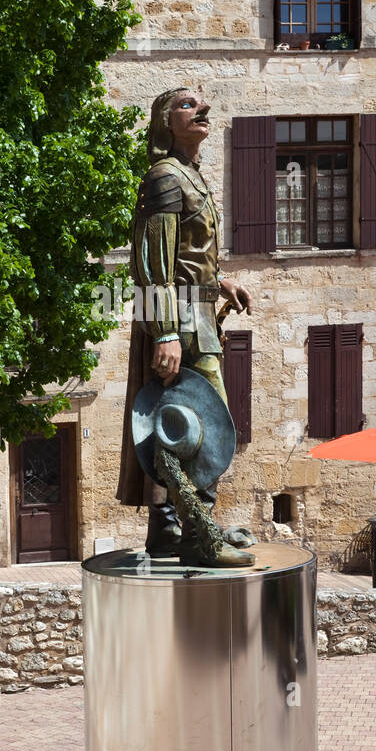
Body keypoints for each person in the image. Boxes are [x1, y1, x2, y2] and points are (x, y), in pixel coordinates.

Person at [116, 86, 254, 566]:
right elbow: (154, 264)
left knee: (177, 421)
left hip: (197, 312)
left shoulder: (191, 176)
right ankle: (200, 535)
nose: (203, 109)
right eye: (187, 105)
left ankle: (171, 530)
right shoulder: (165, 178)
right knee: (203, 423)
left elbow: (190, 259)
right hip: (181, 320)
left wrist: (220, 283)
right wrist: (168, 333)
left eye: (202, 104)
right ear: (164, 122)